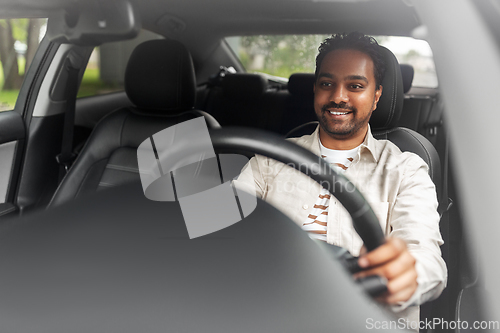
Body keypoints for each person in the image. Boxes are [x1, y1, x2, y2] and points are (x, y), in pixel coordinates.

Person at [234, 32, 447, 324]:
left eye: (355, 86)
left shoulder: (406, 169)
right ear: (315, 90)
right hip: (266, 312)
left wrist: (405, 274)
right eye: (327, 84)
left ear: (376, 96)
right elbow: (226, 233)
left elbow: (427, 262)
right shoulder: (270, 160)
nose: (338, 96)